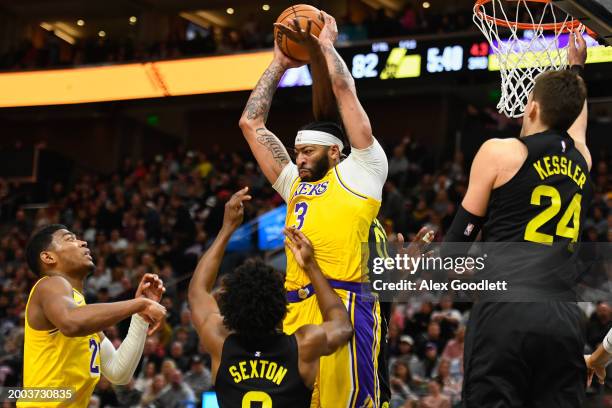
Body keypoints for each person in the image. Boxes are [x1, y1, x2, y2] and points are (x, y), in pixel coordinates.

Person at [240, 11, 388, 406]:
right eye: (297, 152)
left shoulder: (363, 172)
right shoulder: (296, 185)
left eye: (307, 152)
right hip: (293, 313)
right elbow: (251, 124)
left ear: (335, 152)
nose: (299, 159)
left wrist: (325, 46)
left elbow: (342, 88)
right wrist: (278, 64)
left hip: (344, 305)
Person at [442, 31, 591, 407]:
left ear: (531, 108)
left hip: (507, 311)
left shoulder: (500, 152)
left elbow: (455, 246)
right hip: (563, 317)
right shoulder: (583, 160)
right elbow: (577, 126)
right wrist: (576, 69)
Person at [187, 188, 353, 407]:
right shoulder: (305, 344)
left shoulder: (218, 340)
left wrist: (227, 230)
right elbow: (342, 324)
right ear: (283, 305)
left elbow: (197, 290)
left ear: (229, 308)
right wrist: (311, 266)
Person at [19, 224, 166, 407]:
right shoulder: (50, 284)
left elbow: (118, 372)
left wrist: (140, 316)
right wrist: (140, 304)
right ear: (48, 257)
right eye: (70, 239)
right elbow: (71, 322)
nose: (83, 242)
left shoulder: (82, 312)